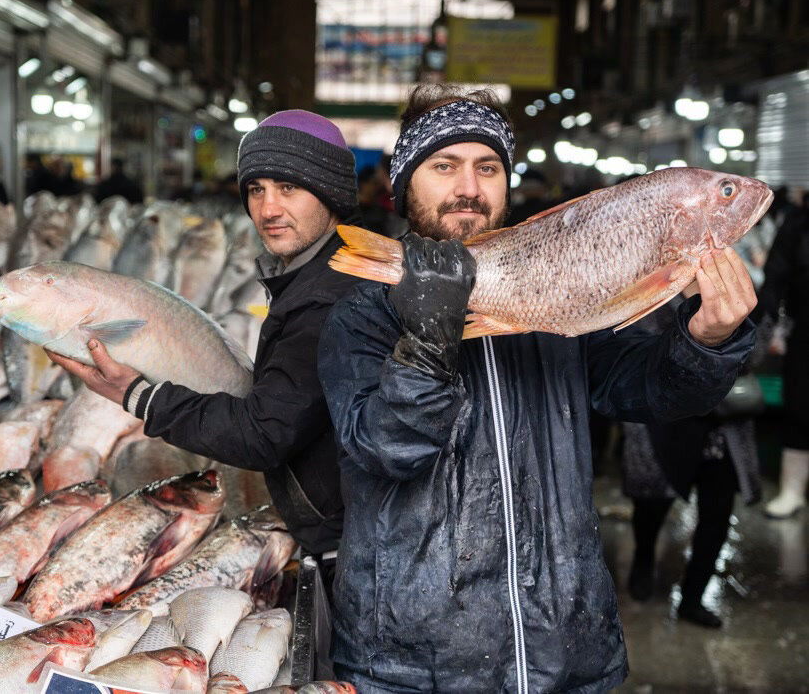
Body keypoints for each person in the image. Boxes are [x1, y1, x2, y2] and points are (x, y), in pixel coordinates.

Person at [316, 84, 758, 693]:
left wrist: (706, 340)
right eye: (444, 166)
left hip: (566, 655)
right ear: (403, 183)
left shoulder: (562, 294)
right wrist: (426, 342)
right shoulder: (360, 316)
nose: (469, 186)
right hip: (412, 668)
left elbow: (650, 396)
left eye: (488, 167)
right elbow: (388, 451)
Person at [47, 109, 362, 560]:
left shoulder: (329, 292)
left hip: (344, 545)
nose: (268, 208)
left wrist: (138, 396)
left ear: (330, 192)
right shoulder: (310, 272)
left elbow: (264, 435)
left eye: (288, 188)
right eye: (256, 189)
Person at [622, 293, 762, 628]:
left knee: (717, 514)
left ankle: (693, 598)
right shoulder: (656, 287)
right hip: (664, 420)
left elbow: (753, 346)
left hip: (720, 425)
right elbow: (633, 348)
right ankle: (643, 561)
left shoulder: (727, 285)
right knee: (651, 503)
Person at [757, 201, 809, 518]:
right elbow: (774, 277)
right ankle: (792, 490)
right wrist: (771, 329)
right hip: (804, 333)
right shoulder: (798, 223)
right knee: (801, 409)